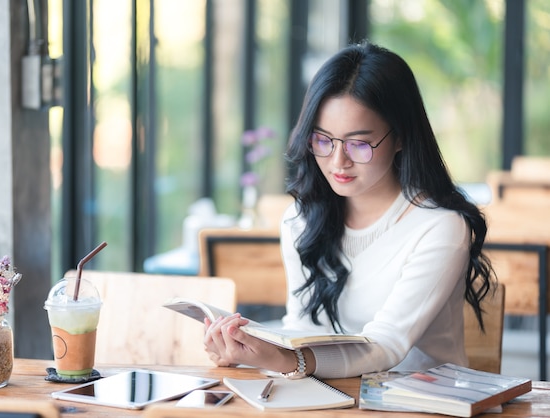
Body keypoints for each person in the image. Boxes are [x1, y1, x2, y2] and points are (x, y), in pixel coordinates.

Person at [203, 41, 495, 379]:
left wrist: (287, 361)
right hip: (328, 399)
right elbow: (300, 327)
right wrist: (243, 349)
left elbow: (385, 345)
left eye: (358, 144)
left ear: (401, 137)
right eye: (323, 140)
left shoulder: (439, 227)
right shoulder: (300, 219)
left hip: (419, 404)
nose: (338, 161)